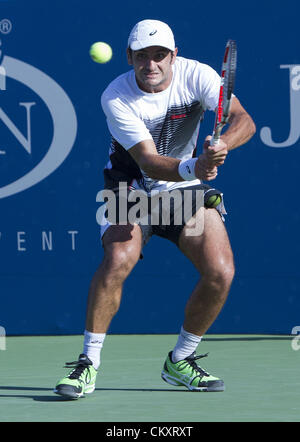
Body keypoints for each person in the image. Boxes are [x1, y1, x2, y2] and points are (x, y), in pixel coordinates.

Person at [54, 19, 255, 399]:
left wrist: (222, 144)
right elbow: (147, 161)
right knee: (117, 260)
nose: (151, 65)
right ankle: (87, 365)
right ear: (129, 57)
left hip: (184, 189)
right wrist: (194, 166)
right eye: (142, 56)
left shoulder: (199, 76)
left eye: (160, 55)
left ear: (173, 56)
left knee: (221, 271)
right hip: (130, 187)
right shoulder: (116, 96)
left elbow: (244, 120)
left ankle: (181, 360)